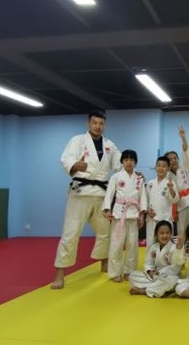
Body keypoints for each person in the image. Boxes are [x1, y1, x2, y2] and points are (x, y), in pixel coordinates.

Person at [51, 110, 121, 289]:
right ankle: (60, 274)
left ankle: (104, 262)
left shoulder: (110, 145)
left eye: (101, 123)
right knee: (71, 232)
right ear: (88, 124)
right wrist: (75, 165)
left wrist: (132, 174)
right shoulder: (78, 141)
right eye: (95, 123)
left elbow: (119, 165)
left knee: (105, 231)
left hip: (102, 194)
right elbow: (66, 158)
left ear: (104, 125)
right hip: (80, 193)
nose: (98, 126)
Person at [102, 149, 147, 282]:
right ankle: (114, 273)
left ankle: (129, 271)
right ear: (122, 161)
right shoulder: (115, 177)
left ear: (135, 162)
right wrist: (106, 209)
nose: (129, 162)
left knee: (132, 245)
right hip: (119, 214)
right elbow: (109, 194)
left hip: (133, 214)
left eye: (131, 160)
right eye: (126, 160)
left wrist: (142, 214)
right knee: (116, 244)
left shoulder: (139, 178)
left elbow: (142, 197)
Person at [165, 126, 189, 236]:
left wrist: (183, 138)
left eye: (175, 158)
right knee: (182, 230)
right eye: (170, 159)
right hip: (180, 204)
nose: (173, 161)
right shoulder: (167, 176)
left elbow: (186, 153)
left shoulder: (185, 167)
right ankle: (183, 246)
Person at [129, 220, 181, 297]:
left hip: (169, 276)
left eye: (167, 233)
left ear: (171, 234)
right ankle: (160, 289)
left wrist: (159, 272)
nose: (164, 236)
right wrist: (150, 271)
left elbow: (175, 268)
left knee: (173, 281)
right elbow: (148, 263)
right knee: (133, 276)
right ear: (156, 235)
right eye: (162, 233)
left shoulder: (174, 248)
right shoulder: (154, 247)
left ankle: (144, 291)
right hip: (154, 276)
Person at [145, 156, 179, 249]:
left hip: (165, 218)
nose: (161, 168)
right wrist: (147, 210)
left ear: (168, 168)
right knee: (151, 244)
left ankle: (166, 259)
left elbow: (175, 200)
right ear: (155, 167)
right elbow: (145, 200)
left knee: (167, 245)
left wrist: (171, 189)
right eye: (158, 165)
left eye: (164, 166)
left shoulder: (171, 183)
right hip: (152, 218)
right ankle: (150, 259)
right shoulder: (150, 183)